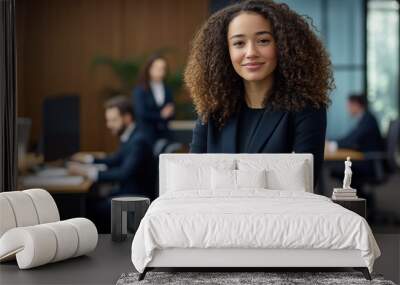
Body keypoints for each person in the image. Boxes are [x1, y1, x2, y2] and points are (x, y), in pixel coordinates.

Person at [185, 0, 333, 187]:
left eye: (263, 41)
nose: (251, 52)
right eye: (239, 43)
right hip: (217, 214)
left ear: (283, 45)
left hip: (279, 215)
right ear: (225, 51)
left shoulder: (307, 109)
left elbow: (303, 185)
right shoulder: (213, 110)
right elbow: (192, 180)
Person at [69, 96, 156, 200]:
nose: (109, 125)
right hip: (127, 193)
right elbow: (116, 159)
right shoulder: (131, 135)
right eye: (108, 120)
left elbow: (123, 174)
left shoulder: (138, 141)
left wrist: (87, 172)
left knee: (88, 204)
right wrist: (88, 159)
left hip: (134, 199)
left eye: (113, 120)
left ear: (127, 118)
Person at [133, 54, 175, 144]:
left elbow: (170, 110)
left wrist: (170, 112)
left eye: (163, 68)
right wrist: (161, 116)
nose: (160, 71)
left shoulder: (167, 89)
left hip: (164, 134)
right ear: (149, 69)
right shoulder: (141, 89)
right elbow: (141, 113)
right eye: (157, 68)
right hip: (146, 134)